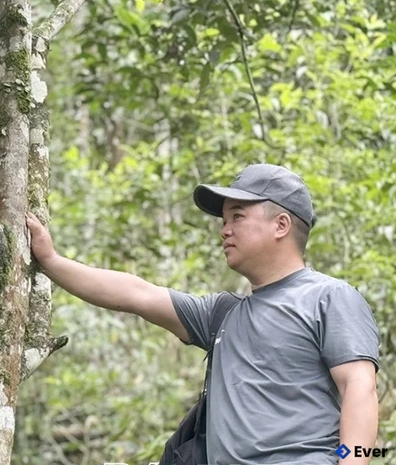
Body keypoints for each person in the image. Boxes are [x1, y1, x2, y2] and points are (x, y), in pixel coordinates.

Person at [25, 163, 380, 465]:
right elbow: (137, 294)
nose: (225, 230)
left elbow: (359, 387)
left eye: (238, 216)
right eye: (224, 219)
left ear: (282, 225)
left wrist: (352, 460)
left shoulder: (329, 297)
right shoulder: (222, 315)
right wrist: (52, 261)